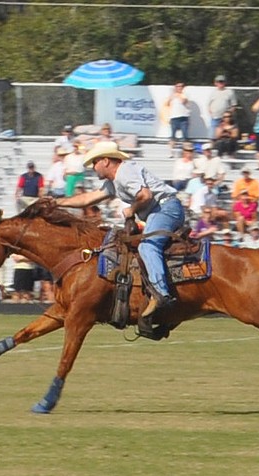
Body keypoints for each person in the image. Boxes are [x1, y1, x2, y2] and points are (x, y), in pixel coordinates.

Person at [54, 141, 185, 318]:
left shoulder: (125, 171)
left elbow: (145, 195)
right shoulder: (114, 182)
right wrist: (56, 202)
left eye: (95, 162)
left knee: (147, 246)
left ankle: (161, 294)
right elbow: (87, 199)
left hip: (165, 208)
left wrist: (131, 210)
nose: (94, 167)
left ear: (106, 161)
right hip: (160, 211)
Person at [166, 82, 190, 157]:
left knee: (185, 136)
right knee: (172, 136)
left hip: (183, 117)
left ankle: (185, 153)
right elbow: (167, 104)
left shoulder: (185, 94)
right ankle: (171, 153)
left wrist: (177, 95)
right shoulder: (172, 96)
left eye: (181, 86)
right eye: (177, 86)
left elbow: (184, 101)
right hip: (174, 117)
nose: (179, 88)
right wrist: (172, 97)